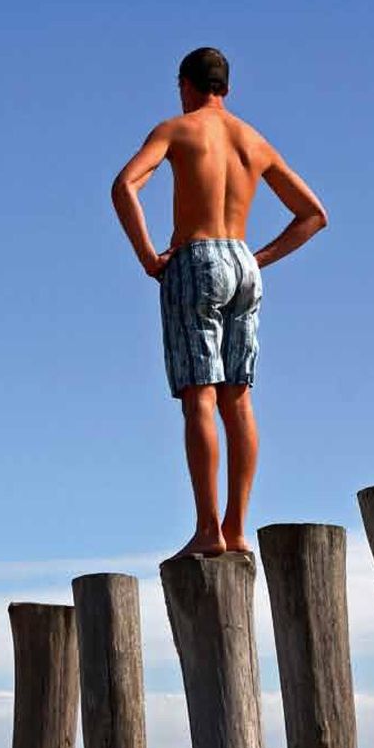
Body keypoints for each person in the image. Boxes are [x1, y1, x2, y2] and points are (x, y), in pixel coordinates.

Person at [111, 47, 328, 558]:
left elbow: (124, 186)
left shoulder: (177, 130)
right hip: (242, 263)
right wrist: (256, 258)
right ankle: (236, 529)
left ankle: (208, 529)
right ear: (225, 88)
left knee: (200, 398)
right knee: (239, 398)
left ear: (186, 84)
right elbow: (313, 214)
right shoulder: (254, 140)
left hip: (195, 258)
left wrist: (148, 256)